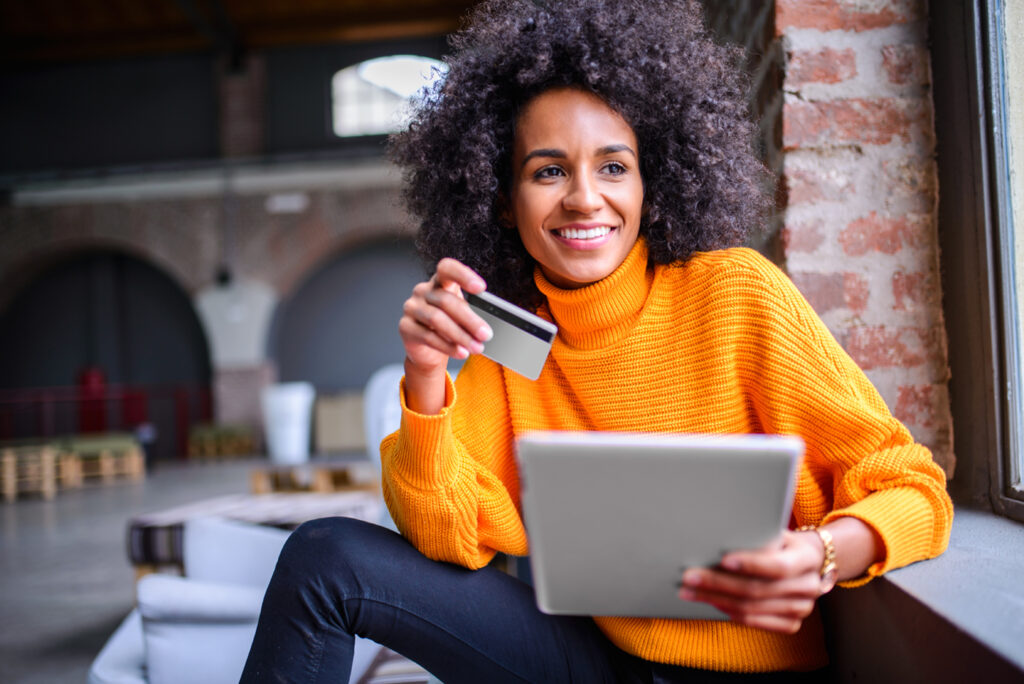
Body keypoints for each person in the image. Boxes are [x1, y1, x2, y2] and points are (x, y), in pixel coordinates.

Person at [241, 1, 953, 681]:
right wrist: (427, 377)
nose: (584, 197)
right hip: (595, 661)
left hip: (754, 676)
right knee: (323, 555)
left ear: (653, 182)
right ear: (500, 195)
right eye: (548, 170)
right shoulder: (509, 336)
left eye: (613, 166)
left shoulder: (736, 294)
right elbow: (447, 537)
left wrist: (824, 553)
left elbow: (916, 488)